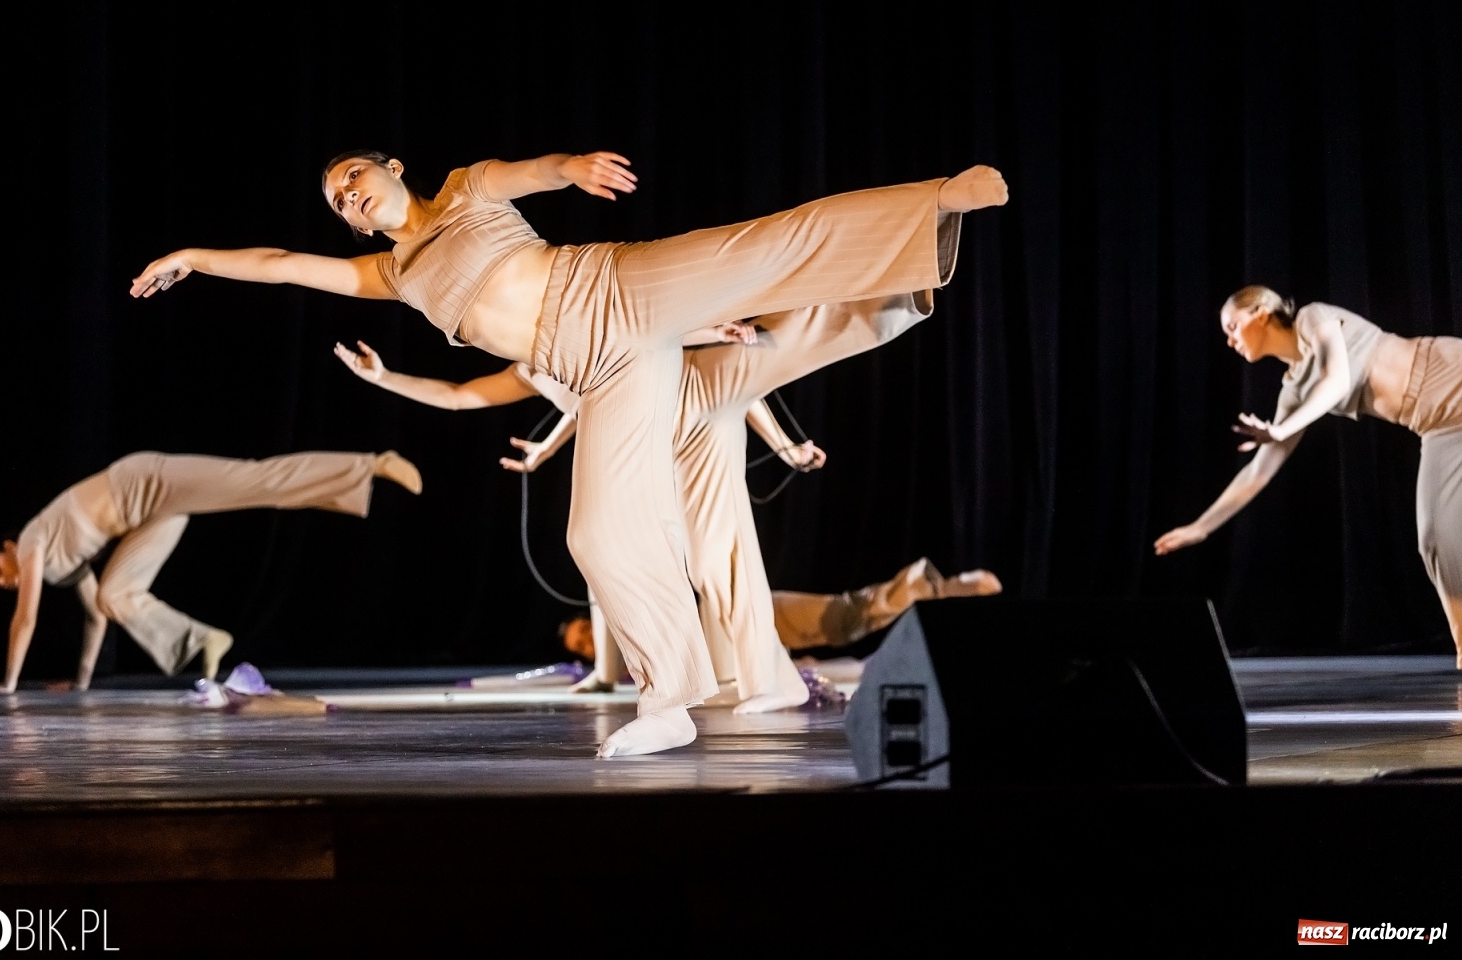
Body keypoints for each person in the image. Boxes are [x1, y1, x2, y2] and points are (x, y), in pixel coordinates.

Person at [131, 150, 1007, 755]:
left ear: (392, 169)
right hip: (602, 369)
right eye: (338, 201)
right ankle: (670, 700)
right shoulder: (392, 276)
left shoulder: (467, 189)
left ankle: (932, 207)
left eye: (353, 178)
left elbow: (531, 173)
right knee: (594, 535)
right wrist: (195, 258)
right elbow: (284, 264)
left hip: (613, 285)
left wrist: (572, 169)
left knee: (760, 248)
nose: (349, 197)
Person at [336, 293, 945, 713]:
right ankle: (741, 675)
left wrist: (782, 440)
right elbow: (465, 396)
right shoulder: (534, 366)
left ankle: (896, 292)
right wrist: (384, 379)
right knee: (669, 559)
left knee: (716, 556)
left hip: (696, 402)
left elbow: (673, 344)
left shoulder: (578, 324)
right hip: (661, 434)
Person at [1154, 286, 1462, 663]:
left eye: (1233, 326)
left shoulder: (1313, 318)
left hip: (1451, 372)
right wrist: (1202, 526)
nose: (1230, 339)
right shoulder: (1295, 390)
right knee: (1436, 539)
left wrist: (1281, 430)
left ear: (1261, 312)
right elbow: (1259, 472)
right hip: (1440, 426)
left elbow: (1336, 381)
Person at [0, 449, 422, 692]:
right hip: (151, 518)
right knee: (114, 596)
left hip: (147, 481)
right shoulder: (58, 566)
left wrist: (9, 685)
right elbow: (96, 615)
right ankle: (205, 639)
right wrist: (81, 684)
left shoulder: (34, 537)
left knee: (256, 481)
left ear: (9, 547)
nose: (2, 581)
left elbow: (25, 617)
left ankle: (371, 464)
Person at [559, 556, 1003, 668]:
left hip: (748, 614)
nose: (588, 644)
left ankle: (937, 586)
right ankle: (935, 590)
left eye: (584, 632)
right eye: (581, 649)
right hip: (754, 645)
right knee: (845, 631)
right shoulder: (634, 664)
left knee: (843, 617)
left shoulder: (635, 623)